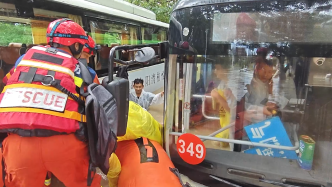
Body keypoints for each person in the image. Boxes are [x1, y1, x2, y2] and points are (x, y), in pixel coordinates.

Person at [0, 18, 101, 187]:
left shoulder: (23, 61)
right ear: (76, 46)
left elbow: (7, 83)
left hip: (18, 145)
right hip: (66, 145)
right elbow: (96, 107)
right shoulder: (83, 69)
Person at [210, 63, 236, 148]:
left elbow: (232, 110)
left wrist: (217, 96)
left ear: (225, 71)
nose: (215, 71)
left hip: (232, 125)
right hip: (224, 123)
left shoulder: (233, 86)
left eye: (218, 69)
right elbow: (216, 107)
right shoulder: (222, 84)